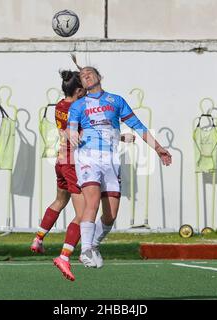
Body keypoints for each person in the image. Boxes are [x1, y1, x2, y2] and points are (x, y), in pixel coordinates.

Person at [68, 66, 172, 268]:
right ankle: (85, 249)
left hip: (111, 159)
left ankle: (93, 245)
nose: (86, 76)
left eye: (89, 72)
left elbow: (138, 126)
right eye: (82, 76)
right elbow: (71, 128)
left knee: (111, 215)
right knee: (93, 200)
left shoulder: (116, 101)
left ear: (100, 76)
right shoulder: (78, 106)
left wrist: (158, 148)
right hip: (88, 156)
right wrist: (72, 133)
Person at [30, 70, 86, 281]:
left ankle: (38, 239)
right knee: (83, 214)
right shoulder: (78, 108)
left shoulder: (60, 105)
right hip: (73, 163)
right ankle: (66, 255)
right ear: (79, 90)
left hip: (60, 161)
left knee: (59, 201)